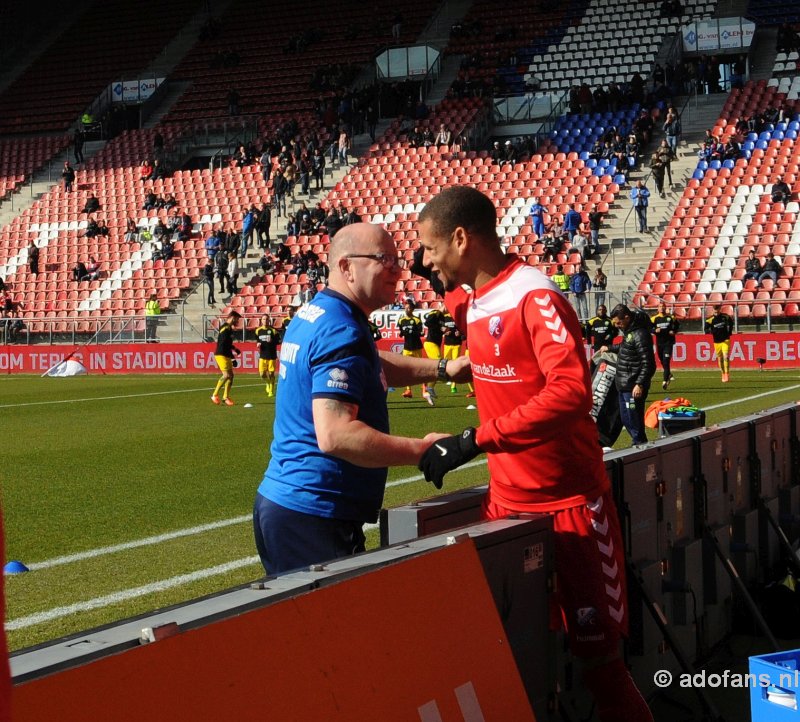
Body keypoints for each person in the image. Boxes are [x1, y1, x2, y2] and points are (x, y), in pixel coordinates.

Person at [414, 186, 654, 722]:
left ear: (461, 238)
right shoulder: (471, 298)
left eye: (430, 249)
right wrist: (433, 276)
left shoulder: (535, 295)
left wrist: (477, 439)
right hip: (506, 506)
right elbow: (459, 297)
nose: (425, 261)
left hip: (570, 506)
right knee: (512, 655)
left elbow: (570, 392)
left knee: (602, 667)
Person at [252, 223, 469, 574]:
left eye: (397, 260)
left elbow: (368, 362)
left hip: (288, 502)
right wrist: (423, 450)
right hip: (315, 512)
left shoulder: (320, 312)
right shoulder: (342, 329)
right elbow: (336, 434)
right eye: (384, 259)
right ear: (345, 267)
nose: (397, 269)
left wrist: (444, 369)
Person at [608, 304, 655, 445]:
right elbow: (625, 347)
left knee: (633, 417)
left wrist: (639, 383)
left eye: (618, 322)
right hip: (623, 385)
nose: (617, 326)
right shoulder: (630, 332)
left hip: (633, 386)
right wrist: (609, 348)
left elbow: (649, 363)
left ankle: (639, 444)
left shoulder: (640, 334)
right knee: (626, 418)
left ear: (627, 317)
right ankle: (638, 442)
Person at [398, 298, 431, 403]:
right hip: (407, 348)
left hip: (416, 347)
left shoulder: (417, 320)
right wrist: (403, 333)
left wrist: (412, 331)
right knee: (406, 369)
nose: (406, 309)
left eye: (408, 307)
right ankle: (408, 390)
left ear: (412, 309)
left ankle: (424, 389)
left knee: (420, 368)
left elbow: (421, 333)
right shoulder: (401, 320)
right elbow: (401, 333)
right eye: (405, 307)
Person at [651, 302, 679, 390]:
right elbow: (649, 328)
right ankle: (669, 374)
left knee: (666, 361)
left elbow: (677, 325)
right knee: (662, 361)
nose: (662, 308)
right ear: (658, 309)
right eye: (660, 306)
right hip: (659, 343)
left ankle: (665, 381)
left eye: (663, 306)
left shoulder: (670, 318)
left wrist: (673, 331)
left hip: (668, 343)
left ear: (665, 308)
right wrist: (655, 330)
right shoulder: (654, 319)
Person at [705, 304, 734, 383]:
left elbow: (731, 323)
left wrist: (730, 332)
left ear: (720, 309)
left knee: (726, 356)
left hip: (725, 340)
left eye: (717, 310)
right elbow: (705, 329)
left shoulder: (725, 317)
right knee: (720, 358)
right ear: (713, 310)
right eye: (715, 310)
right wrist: (711, 331)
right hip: (717, 341)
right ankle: (722, 373)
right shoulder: (710, 319)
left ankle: (727, 374)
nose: (716, 311)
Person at [255, 314, 280, 397]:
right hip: (263, 355)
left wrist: (272, 341)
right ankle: (267, 382)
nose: (265, 321)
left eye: (267, 319)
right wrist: (258, 344)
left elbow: (278, 341)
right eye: (263, 319)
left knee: (272, 374)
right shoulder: (258, 331)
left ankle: (271, 391)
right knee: (262, 374)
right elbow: (257, 340)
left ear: (269, 320)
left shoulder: (273, 331)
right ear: (261, 320)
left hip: (272, 356)